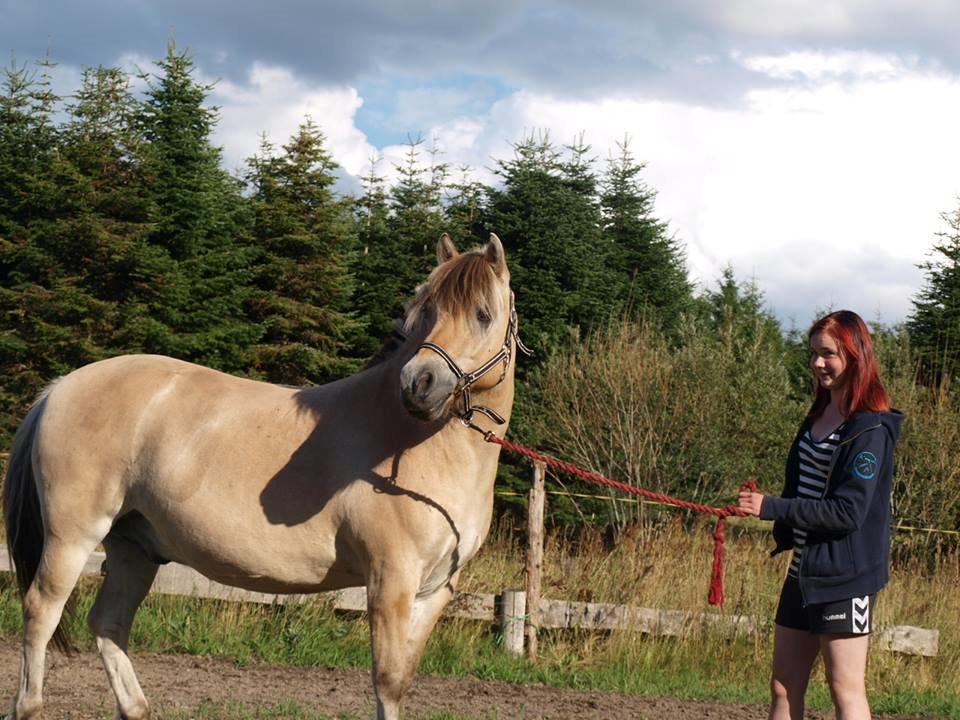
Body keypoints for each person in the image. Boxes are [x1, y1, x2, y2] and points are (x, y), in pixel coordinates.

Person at [738, 310, 904, 720]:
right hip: (804, 571)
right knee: (783, 685)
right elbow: (807, 489)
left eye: (827, 354)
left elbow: (848, 512)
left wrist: (771, 507)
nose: (817, 363)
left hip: (846, 578)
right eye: (813, 353)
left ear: (854, 354)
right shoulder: (817, 415)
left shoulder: (869, 430)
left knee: (844, 688)